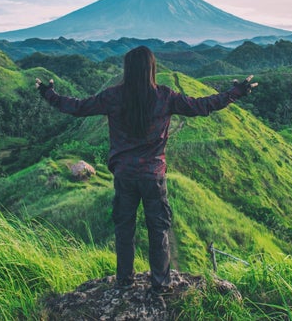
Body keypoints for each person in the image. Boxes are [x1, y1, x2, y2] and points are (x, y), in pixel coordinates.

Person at [36, 45, 257, 295]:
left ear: (127, 70)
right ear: (152, 69)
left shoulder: (114, 96)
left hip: (125, 175)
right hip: (153, 175)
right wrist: (234, 93)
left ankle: (124, 280)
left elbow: (78, 107)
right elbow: (202, 106)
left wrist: (49, 94)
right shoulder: (165, 96)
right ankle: (161, 283)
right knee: (158, 228)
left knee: (124, 228)